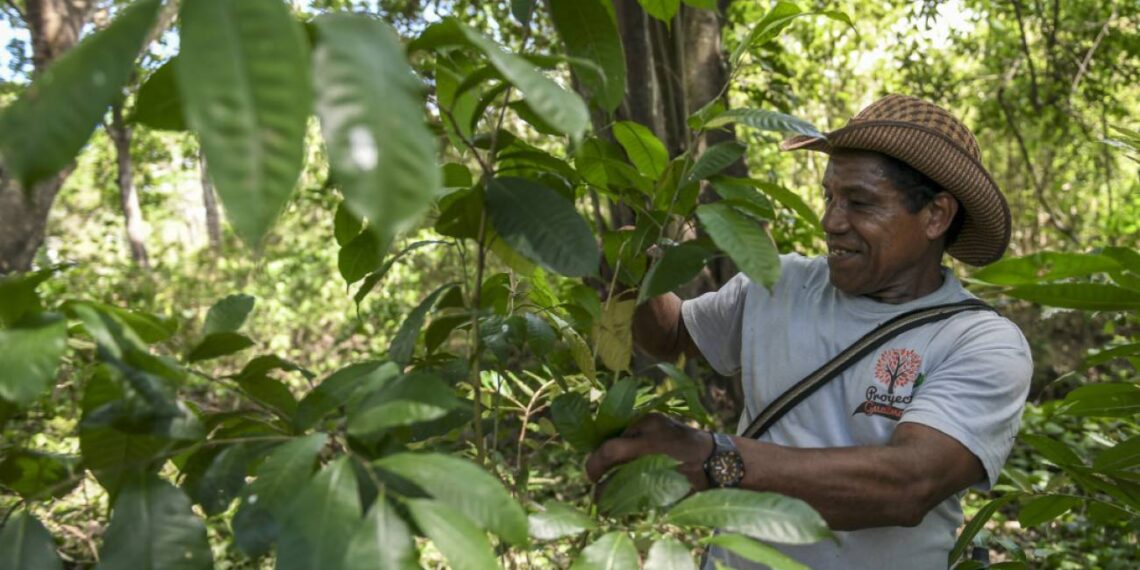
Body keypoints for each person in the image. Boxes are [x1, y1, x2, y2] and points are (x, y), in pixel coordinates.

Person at [585, 95, 1033, 569]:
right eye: (829, 197)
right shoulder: (778, 281)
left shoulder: (980, 341)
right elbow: (673, 333)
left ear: (936, 215)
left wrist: (714, 458)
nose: (831, 221)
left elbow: (908, 484)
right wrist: (635, 270)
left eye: (859, 203)